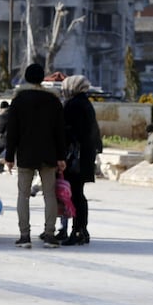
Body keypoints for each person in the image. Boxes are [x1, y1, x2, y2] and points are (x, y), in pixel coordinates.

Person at [5, 63, 66, 249]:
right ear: (42, 78)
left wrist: (9, 156)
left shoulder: (19, 100)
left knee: (23, 195)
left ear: (26, 77)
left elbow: (12, 131)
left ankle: (24, 236)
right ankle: (50, 235)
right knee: (49, 195)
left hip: (25, 154)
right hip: (49, 154)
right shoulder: (53, 100)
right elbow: (60, 131)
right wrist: (61, 156)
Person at [60, 75, 102, 246]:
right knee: (79, 194)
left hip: (75, 158)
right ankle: (81, 230)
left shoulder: (73, 105)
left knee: (76, 195)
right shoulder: (85, 103)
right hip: (84, 157)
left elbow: (70, 132)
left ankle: (77, 231)